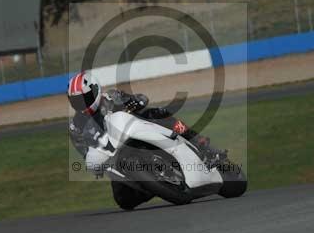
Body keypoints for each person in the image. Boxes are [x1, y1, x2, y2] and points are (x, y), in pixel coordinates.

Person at [67, 71, 226, 172]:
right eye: (76, 101)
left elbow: (139, 99)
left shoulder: (111, 97)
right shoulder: (76, 127)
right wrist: (96, 165)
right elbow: (86, 154)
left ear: (96, 89)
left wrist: (136, 102)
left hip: (140, 131)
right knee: (123, 201)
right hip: (116, 160)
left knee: (158, 112)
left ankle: (202, 145)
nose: (82, 103)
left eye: (85, 98)